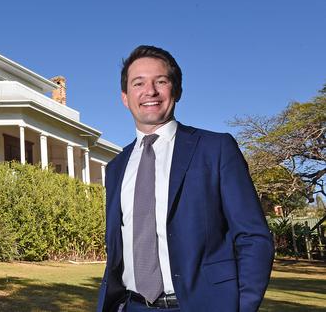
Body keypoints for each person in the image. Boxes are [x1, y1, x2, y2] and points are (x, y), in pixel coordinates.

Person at [97, 45, 274, 312]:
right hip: (132, 306)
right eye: (138, 83)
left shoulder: (216, 149)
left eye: (161, 81)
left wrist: (242, 307)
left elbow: (253, 237)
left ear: (176, 90)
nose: (150, 91)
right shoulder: (115, 167)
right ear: (125, 96)